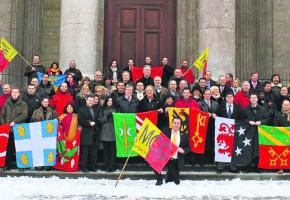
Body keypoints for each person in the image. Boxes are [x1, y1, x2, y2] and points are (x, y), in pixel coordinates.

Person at [155, 117, 190, 185]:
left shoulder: (184, 135)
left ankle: (169, 175)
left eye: (178, 123)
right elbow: (157, 141)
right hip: (165, 158)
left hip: (175, 160)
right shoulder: (166, 132)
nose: (176, 124)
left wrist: (183, 150)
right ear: (172, 123)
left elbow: (188, 148)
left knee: (175, 181)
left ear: (180, 125)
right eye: (175, 123)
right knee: (153, 160)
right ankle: (159, 180)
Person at [215, 92, 243, 174]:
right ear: (225, 98)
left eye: (231, 96)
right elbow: (217, 116)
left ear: (233, 98)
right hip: (223, 133)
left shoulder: (238, 107)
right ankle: (220, 167)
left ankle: (233, 167)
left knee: (233, 149)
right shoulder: (221, 107)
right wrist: (214, 116)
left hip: (234, 131)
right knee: (222, 148)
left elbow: (242, 118)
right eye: (228, 96)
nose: (229, 98)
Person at [1, 88, 28, 170]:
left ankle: (21, 165)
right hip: (8, 130)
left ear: (19, 94)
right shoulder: (7, 103)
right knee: (8, 148)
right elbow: (2, 115)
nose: (15, 93)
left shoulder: (23, 104)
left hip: (18, 130)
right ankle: (7, 165)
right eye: (13, 92)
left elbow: (24, 115)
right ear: (11, 93)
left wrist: (15, 121)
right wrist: (4, 124)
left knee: (19, 148)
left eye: (16, 92)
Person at [54, 103, 80, 172]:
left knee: (71, 154)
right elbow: (57, 126)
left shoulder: (76, 117)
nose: (69, 108)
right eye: (68, 107)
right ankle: (64, 167)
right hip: (64, 139)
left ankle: (71, 167)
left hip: (73, 138)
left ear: (73, 108)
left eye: (71, 107)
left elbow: (79, 126)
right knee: (64, 154)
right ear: (66, 108)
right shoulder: (61, 116)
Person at [78, 95, 100, 172]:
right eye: (89, 100)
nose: (91, 102)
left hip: (94, 133)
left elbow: (97, 120)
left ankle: (92, 167)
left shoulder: (95, 109)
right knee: (85, 152)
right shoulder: (81, 109)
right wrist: (88, 122)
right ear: (86, 101)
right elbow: (80, 120)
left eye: (92, 100)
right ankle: (84, 167)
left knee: (93, 152)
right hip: (86, 133)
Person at [199, 89, 219, 164]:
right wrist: (205, 115)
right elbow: (198, 113)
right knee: (204, 143)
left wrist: (215, 115)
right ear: (203, 95)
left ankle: (211, 160)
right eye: (206, 94)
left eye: (209, 94)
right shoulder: (199, 103)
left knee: (212, 142)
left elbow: (218, 113)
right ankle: (203, 160)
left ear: (211, 95)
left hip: (213, 125)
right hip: (203, 126)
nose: (207, 95)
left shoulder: (215, 103)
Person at [99, 96, 117, 172]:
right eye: (108, 101)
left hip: (113, 132)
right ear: (106, 101)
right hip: (105, 132)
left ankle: (112, 166)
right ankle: (105, 166)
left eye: (111, 101)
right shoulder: (102, 109)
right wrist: (107, 116)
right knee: (106, 151)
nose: (110, 102)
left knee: (112, 151)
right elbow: (100, 120)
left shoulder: (116, 109)